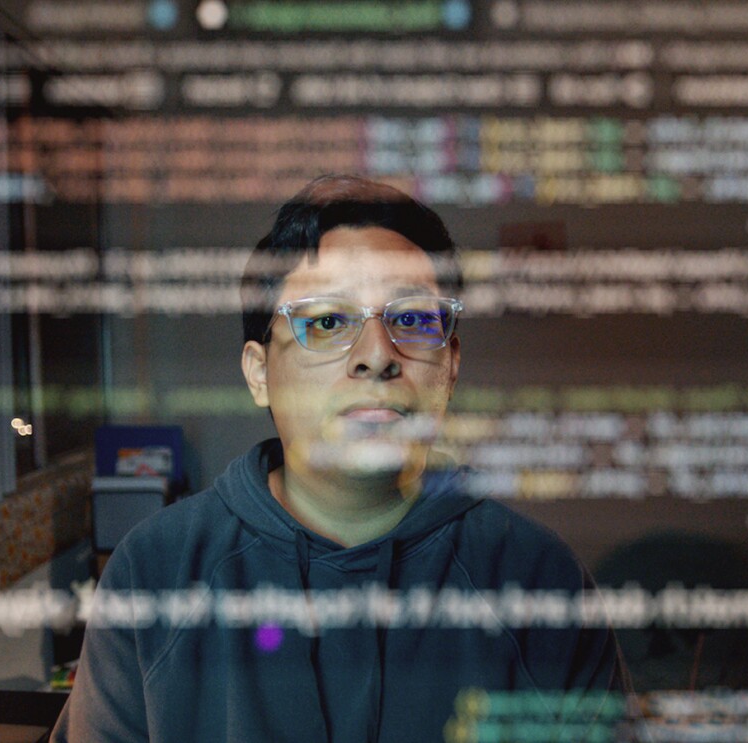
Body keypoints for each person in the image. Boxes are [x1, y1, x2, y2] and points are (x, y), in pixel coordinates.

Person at [51, 175, 620, 743]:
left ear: (449, 366)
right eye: (326, 322)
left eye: (415, 320)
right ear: (258, 373)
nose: (377, 356)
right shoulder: (156, 572)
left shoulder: (541, 581)